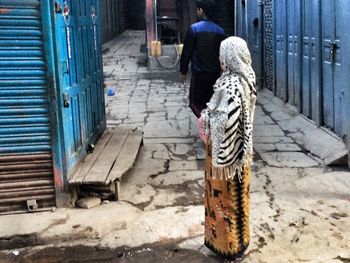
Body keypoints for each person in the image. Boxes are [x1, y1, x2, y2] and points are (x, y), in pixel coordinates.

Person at [200, 37, 257, 261]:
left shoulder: (229, 84)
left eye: (222, 54)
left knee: (223, 201)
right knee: (240, 198)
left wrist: (206, 117)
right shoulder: (247, 76)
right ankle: (241, 242)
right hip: (243, 153)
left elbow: (223, 122)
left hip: (227, 157)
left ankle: (227, 246)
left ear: (229, 56)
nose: (219, 59)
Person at [180, 0, 226, 118]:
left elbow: (187, 52)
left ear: (201, 11)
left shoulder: (194, 29)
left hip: (199, 74)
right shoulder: (220, 31)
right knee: (210, 102)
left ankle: (206, 123)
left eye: (197, 9)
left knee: (194, 102)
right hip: (215, 74)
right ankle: (210, 124)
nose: (197, 12)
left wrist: (183, 71)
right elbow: (222, 54)